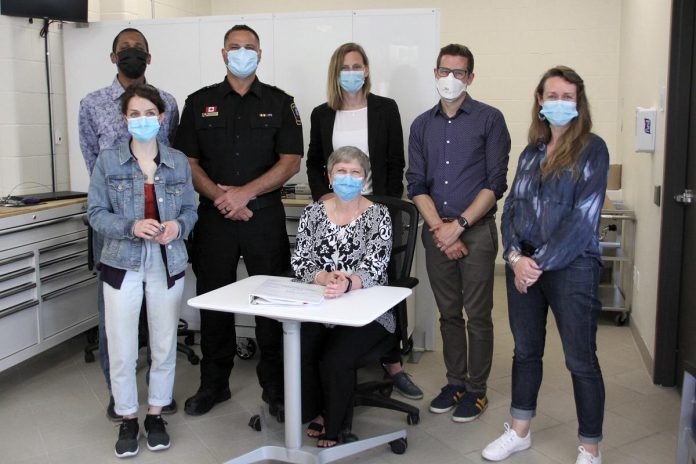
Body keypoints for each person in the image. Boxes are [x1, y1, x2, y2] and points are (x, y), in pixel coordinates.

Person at [174, 24, 303, 418]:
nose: (242, 53)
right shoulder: (199, 102)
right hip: (214, 219)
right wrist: (222, 197)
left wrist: (245, 194)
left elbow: (291, 160)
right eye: (235, 47)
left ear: (260, 54)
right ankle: (214, 385)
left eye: (249, 48)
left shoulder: (281, 103)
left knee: (269, 303)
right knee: (214, 302)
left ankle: (276, 388)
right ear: (223, 53)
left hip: (263, 218)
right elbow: (187, 162)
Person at [482, 66, 608, 464]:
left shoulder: (592, 148)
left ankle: (590, 448)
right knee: (526, 352)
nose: (559, 103)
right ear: (539, 100)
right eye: (551, 95)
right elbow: (512, 208)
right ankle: (519, 431)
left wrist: (536, 264)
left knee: (580, 360)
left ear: (579, 103)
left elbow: (583, 218)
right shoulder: (531, 152)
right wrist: (516, 258)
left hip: (574, 268)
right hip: (526, 267)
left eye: (567, 97)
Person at [305, 42, 422, 400]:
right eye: (345, 67)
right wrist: (323, 196)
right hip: (337, 210)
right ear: (335, 73)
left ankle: (393, 364)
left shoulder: (385, 109)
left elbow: (393, 163)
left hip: (377, 211)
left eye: (357, 66)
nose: (351, 73)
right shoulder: (322, 113)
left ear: (367, 70)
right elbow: (313, 162)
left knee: (381, 279)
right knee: (336, 276)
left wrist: (377, 206)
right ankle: (335, 355)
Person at [87, 84, 197, 458]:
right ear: (125, 119)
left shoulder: (179, 161)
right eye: (134, 114)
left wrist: (178, 227)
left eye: (149, 113)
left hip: (167, 261)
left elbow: (190, 210)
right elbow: (96, 214)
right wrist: (131, 226)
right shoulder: (108, 161)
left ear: (162, 118)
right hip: (122, 261)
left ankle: (155, 413)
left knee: (164, 344)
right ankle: (128, 417)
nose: (142, 120)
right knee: (121, 346)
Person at [78, 27, 179, 421]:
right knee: (114, 319)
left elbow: (170, 157)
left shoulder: (166, 101)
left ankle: (159, 394)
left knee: (160, 319)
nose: (131, 54)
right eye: (125, 50)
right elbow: (93, 160)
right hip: (115, 226)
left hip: (161, 229)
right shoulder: (92, 103)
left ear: (149, 58)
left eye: (138, 49)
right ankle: (118, 395)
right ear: (112, 57)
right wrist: (122, 211)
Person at [406, 44, 510, 422]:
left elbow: (496, 182)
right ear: (435, 73)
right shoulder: (421, 125)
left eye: (459, 72)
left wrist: (460, 227)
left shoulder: (489, 120)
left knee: (478, 315)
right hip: (436, 232)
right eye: (444, 71)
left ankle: (477, 390)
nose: (451, 79)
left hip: (476, 231)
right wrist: (440, 230)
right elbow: (415, 183)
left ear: (470, 77)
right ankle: (455, 382)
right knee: (449, 315)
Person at [292, 146, 394, 448]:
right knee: (301, 346)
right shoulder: (312, 213)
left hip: (369, 309)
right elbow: (300, 261)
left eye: (355, 172)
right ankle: (316, 409)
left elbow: (376, 265)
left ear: (365, 179)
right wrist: (325, 278)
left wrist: (348, 283)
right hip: (320, 302)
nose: (347, 178)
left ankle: (334, 425)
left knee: (335, 358)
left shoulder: (379, 215)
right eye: (341, 171)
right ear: (329, 175)